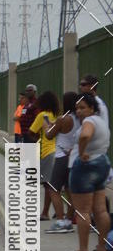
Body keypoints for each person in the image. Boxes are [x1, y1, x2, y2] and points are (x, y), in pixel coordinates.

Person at [65, 94, 111, 251]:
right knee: (101, 209)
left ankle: (83, 250)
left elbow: (85, 136)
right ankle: (101, 247)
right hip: (102, 162)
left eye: (83, 107)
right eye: (77, 108)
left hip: (86, 166)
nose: (79, 111)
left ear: (92, 108)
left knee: (83, 210)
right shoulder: (102, 123)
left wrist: (82, 152)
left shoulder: (89, 122)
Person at [44, 91, 79, 233]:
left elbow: (49, 135)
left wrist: (48, 126)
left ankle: (60, 220)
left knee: (53, 188)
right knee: (70, 190)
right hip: (74, 156)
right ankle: (69, 220)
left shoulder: (62, 119)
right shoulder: (79, 118)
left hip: (62, 156)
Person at [26, 90, 59, 220]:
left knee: (47, 185)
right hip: (58, 152)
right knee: (55, 185)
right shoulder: (57, 115)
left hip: (46, 152)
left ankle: (45, 213)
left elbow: (31, 132)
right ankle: (59, 212)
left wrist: (37, 140)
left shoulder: (42, 115)